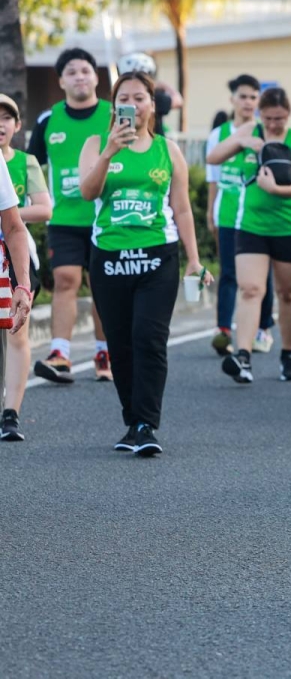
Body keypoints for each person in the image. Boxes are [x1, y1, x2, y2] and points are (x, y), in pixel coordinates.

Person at [78, 71, 209, 455]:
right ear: (113, 105)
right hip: (109, 258)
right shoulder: (96, 143)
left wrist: (194, 261)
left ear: (152, 105)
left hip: (157, 256)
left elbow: (181, 208)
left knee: (149, 339)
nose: (132, 105)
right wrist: (109, 152)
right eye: (124, 98)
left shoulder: (169, 151)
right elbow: (88, 192)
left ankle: (145, 424)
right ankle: (131, 420)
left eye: (140, 97)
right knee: (120, 343)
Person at [208, 87, 291, 384]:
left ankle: (288, 355)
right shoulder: (248, 130)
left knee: (287, 293)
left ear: (288, 114)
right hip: (250, 225)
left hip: (288, 226)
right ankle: (243, 356)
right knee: (251, 289)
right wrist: (242, 141)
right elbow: (214, 158)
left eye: (279, 118)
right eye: (267, 118)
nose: (273, 124)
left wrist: (275, 189)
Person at [26, 48, 110, 383]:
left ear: (96, 77)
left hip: (106, 218)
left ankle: (105, 351)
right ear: (61, 80)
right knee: (65, 281)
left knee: (101, 286)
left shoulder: (114, 115)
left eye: (85, 70)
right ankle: (60, 353)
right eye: (72, 72)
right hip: (63, 219)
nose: (79, 77)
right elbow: (30, 167)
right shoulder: (48, 120)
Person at [205, 74, 275, 356]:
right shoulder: (219, 134)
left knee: (260, 276)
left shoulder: (264, 132)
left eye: (253, 97)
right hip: (228, 215)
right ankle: (223, 329)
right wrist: (211, 214)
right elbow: (213, 178)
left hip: (256, 218)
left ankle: (263, 328)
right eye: (243, 96)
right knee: (229, 273)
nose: (248, 102)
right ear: (232, 99)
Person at [0, 95, 39, 442]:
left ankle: (10, 410)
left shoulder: (23, 162)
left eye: (5, 117)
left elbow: (16, 226)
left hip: (9, 261)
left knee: (16, 333)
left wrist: (22, 284)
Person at [114, 52, 182, 135]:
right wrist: (160, 85)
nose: (132, 104)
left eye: (139, 99)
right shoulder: (157, 98)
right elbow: (178, 100)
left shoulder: (155, 98)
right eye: (124, 99)